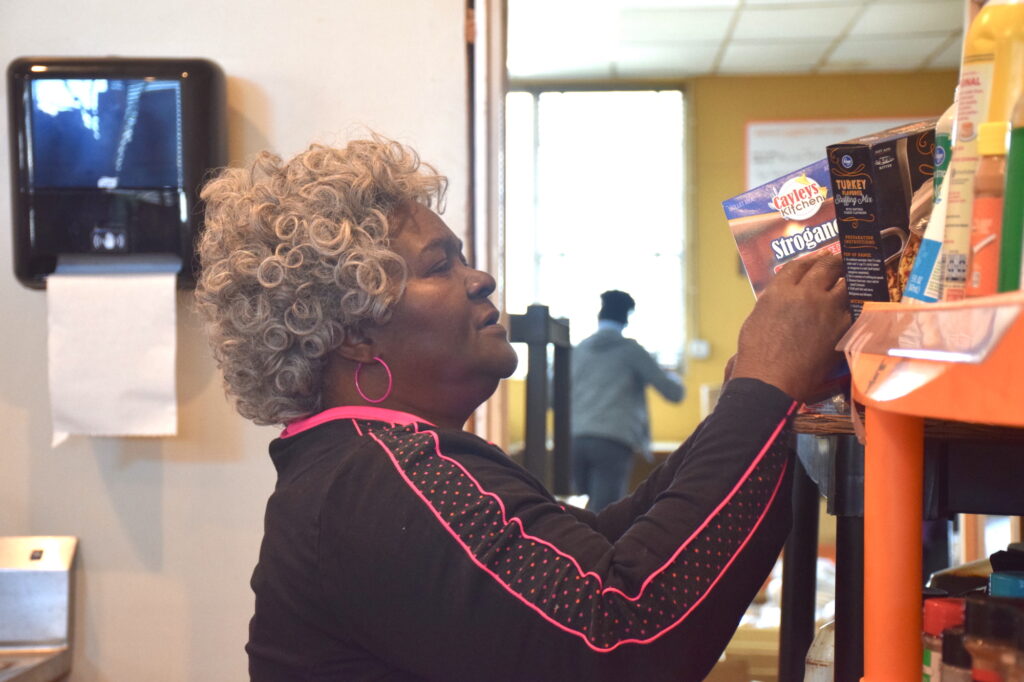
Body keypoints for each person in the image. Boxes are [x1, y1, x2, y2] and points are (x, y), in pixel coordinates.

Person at [195, 135, 851, 682]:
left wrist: (755, 403)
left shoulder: (362, 466)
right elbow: (624, 633)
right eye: (439, 265)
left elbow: (599, 551)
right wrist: (765, 390)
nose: (480, 278)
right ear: (356, 332)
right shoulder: (383, 480)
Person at [571, 290, 684, 512]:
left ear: (599, 315)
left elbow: (552, 398)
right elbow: (673, 394)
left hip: (575, 438)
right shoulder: (632, 351)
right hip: (613, 440)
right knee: (604, 513)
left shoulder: (578, 350)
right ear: (627, 318)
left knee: (575, 507)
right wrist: (671, 375)